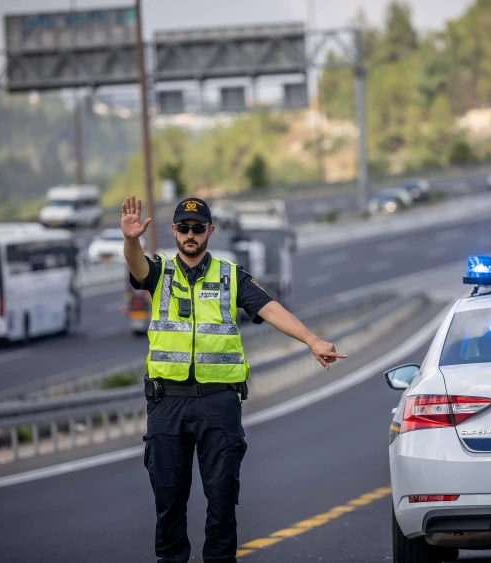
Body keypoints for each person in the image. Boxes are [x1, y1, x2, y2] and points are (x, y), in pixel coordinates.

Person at [121, 195, 347, 563]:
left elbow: (270, 307)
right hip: (167, 403)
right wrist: (131, 240)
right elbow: (137, 268)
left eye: (197, 228)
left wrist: (312, 339)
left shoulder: (230, 275)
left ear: (210, 230)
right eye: (183, 228)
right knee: (168, 503)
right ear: (174, 232)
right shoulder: (160, 271)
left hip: (218, 404)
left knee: (222, 501)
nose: (190, 235)